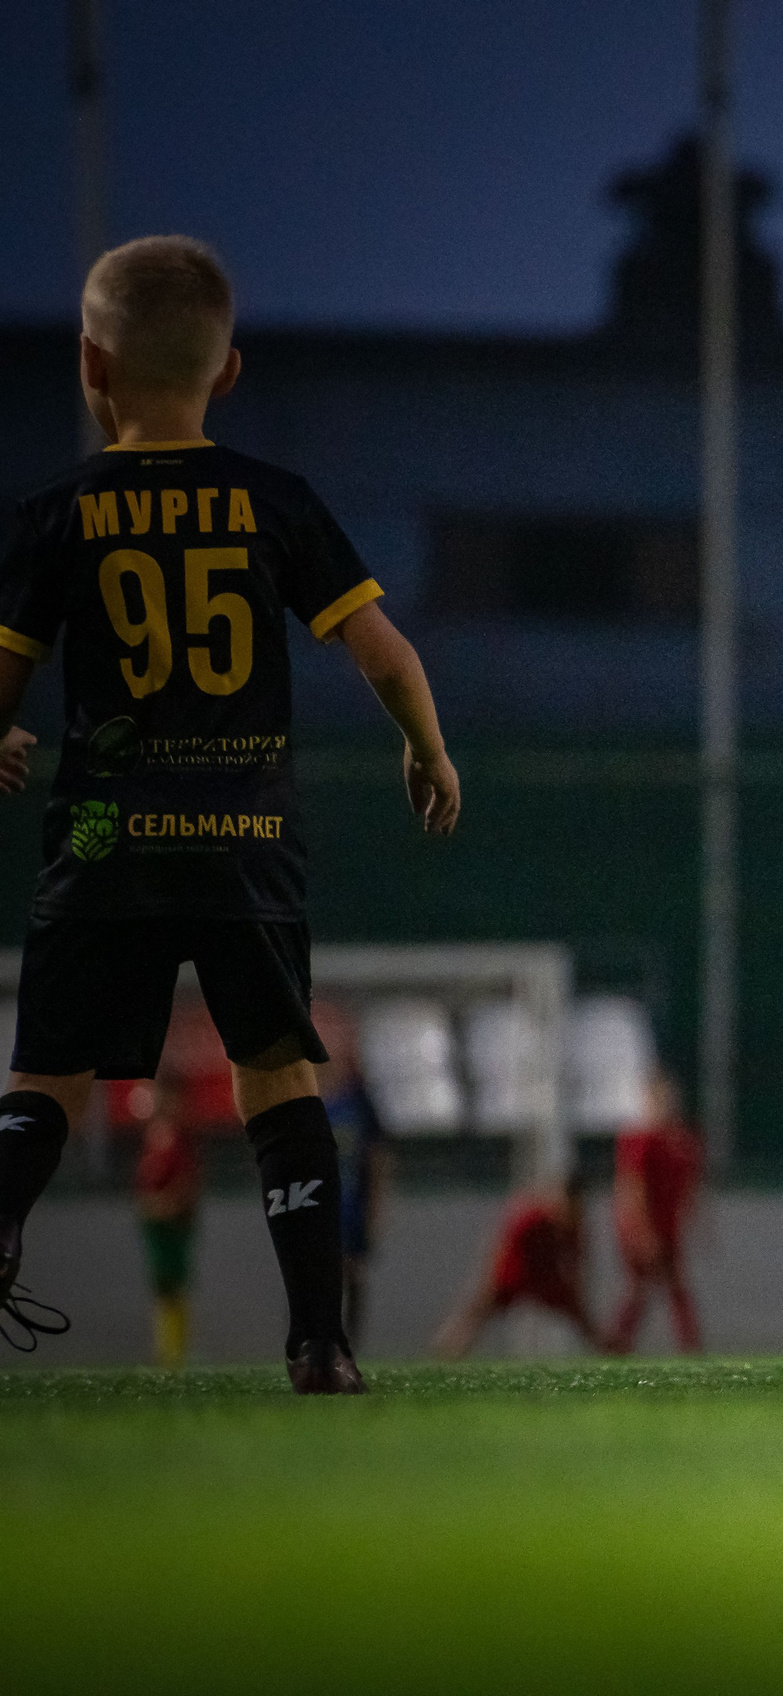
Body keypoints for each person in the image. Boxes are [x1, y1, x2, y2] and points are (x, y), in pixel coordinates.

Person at [0, 236, 462, 1394]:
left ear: (90, 367)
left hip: (106, 841)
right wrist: (430, 750)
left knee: (49, 1077)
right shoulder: (274, 504)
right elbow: (384, 651)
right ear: (231, 372)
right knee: (276, 1072)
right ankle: (319, 1340)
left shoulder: (61, 513)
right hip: (245, 843)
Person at [433, 1173, 601, 1359]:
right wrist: (490, 1280)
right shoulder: (532, 1215)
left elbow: (579, 1258)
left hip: (545, 1274)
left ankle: (610, 1354)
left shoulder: (572, 1221)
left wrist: (576, 1290)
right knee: (478, 1310)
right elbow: (501, 1245)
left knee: (581, 1317)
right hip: (516, 1269)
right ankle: (446, 1354)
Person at [605, 1068, 704, 1354]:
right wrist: (640, 1231)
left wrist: (695, 1216)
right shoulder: (639, 1139)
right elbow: (631, 1187)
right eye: (657, 1097)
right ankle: (687, 1347)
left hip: (666, 1225)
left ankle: (618, 1344)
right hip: (644, 1226)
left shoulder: (682, 1140)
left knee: (661, 1288)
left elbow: (690, 1184)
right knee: (646, 1288)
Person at [312, 1000, 391, 1349]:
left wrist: (377, 1206)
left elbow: (377, 1158)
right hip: (318, 1200)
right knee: (317, 1273)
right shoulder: (312, 1103)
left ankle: (348, 1344)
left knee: (353, 1270)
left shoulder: (361, 1103)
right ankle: (315, 1339)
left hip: (352, 1203)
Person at [133, 1101, 202, 1369]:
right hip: (156, 1224)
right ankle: (168, 1351)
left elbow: (186, 1185)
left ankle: (176, 1353)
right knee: (162, 1286)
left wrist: (165, 1205)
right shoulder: (153, 1143)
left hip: (173, 1224)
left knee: (173, 1285)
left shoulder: (177, 1145)